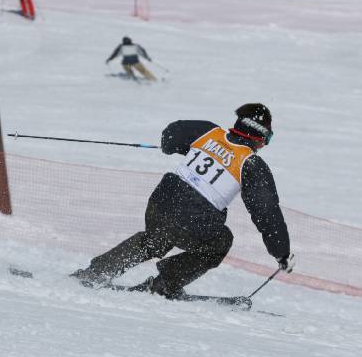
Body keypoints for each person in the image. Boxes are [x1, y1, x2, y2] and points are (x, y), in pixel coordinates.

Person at [71, 103, 294, 299]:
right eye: (268, 139)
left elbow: (170, 136)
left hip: (161, 203)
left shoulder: (209, 132)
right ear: (259, 136)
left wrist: (189, 148)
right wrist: (281, 253)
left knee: (156, 239)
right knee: (221, 241)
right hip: (194, 221)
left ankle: (97, 272)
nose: (265, 145)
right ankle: (165, 285)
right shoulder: (252, 165)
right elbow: (267, 214)